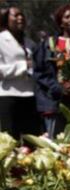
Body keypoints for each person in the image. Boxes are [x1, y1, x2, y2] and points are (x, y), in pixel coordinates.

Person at [33, 4, 70, 138]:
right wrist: (58, 87)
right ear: (60, 21)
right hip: (54, 101)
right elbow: (40, 72)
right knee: (54, 142)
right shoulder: (49, 44)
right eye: (67, 17)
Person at [0, 7, 40, 139]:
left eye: (22, 15)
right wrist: (23, 66)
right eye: (16, 15)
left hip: (30, 96)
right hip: (9, 96)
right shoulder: (1, 40)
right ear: (6, 19)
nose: (20, 18)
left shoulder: (30, 43)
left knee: (32, 139)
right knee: (11, 139)